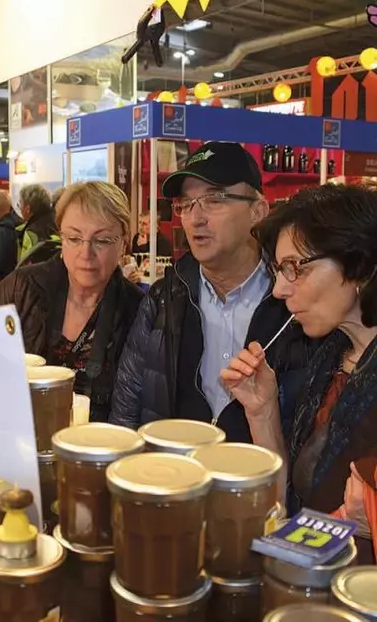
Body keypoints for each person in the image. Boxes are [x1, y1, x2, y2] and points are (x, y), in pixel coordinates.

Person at [109, 142, 313, 443]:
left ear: (258, 211)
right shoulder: (166, 295)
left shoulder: (294, 300)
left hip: (259, 482)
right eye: (187, 204)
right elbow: (129, 396)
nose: (195, 217)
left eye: (214, 200)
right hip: (177, 478)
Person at [221, 184, 377, 562]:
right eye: (277, 270)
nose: (278, 289)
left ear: (357, 264)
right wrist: (263, 411)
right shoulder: (330, 356)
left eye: (295, 268)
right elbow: (291, 501)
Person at [0, 182, 144, 422]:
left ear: (123, 244)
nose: (85, 253)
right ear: (61, 236)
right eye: (74, 238)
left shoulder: (138, 310)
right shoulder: (22, 289)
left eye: (102, 241)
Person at [16, 183, 59, 266]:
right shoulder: (57, 220)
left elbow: (28, 265)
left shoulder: (32, 232)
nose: (20, 209)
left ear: (27, 209)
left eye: (20, 205)